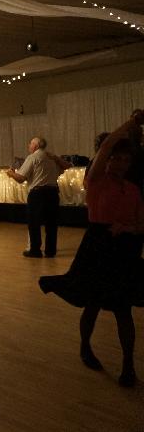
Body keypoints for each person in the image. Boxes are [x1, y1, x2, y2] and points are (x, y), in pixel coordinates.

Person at [39, 110, 144, 388]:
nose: (120, 164)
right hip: (98, 245)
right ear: (105, 159)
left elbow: (141, 224)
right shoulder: (95, 179)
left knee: (123, 310)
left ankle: (128, 365)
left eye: (125, 160)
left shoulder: (133, 189)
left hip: (124, 250)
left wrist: (127, 228)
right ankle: (85, 346)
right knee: (93, 303)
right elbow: (108, 145)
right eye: (115, 159)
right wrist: (131, 123)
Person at [7, 137, 72, 258]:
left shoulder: (33, 157)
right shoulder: (52, 157)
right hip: (53, 193)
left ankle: (35, 250)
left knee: (34, 223)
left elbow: (21, 178)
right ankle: (50, 251)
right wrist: (56, 158)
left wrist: (11, 174)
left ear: (36, 146)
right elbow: (67, 166)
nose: (29, 145)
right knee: (51, 224)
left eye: (30, 143)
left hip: (37, 194)